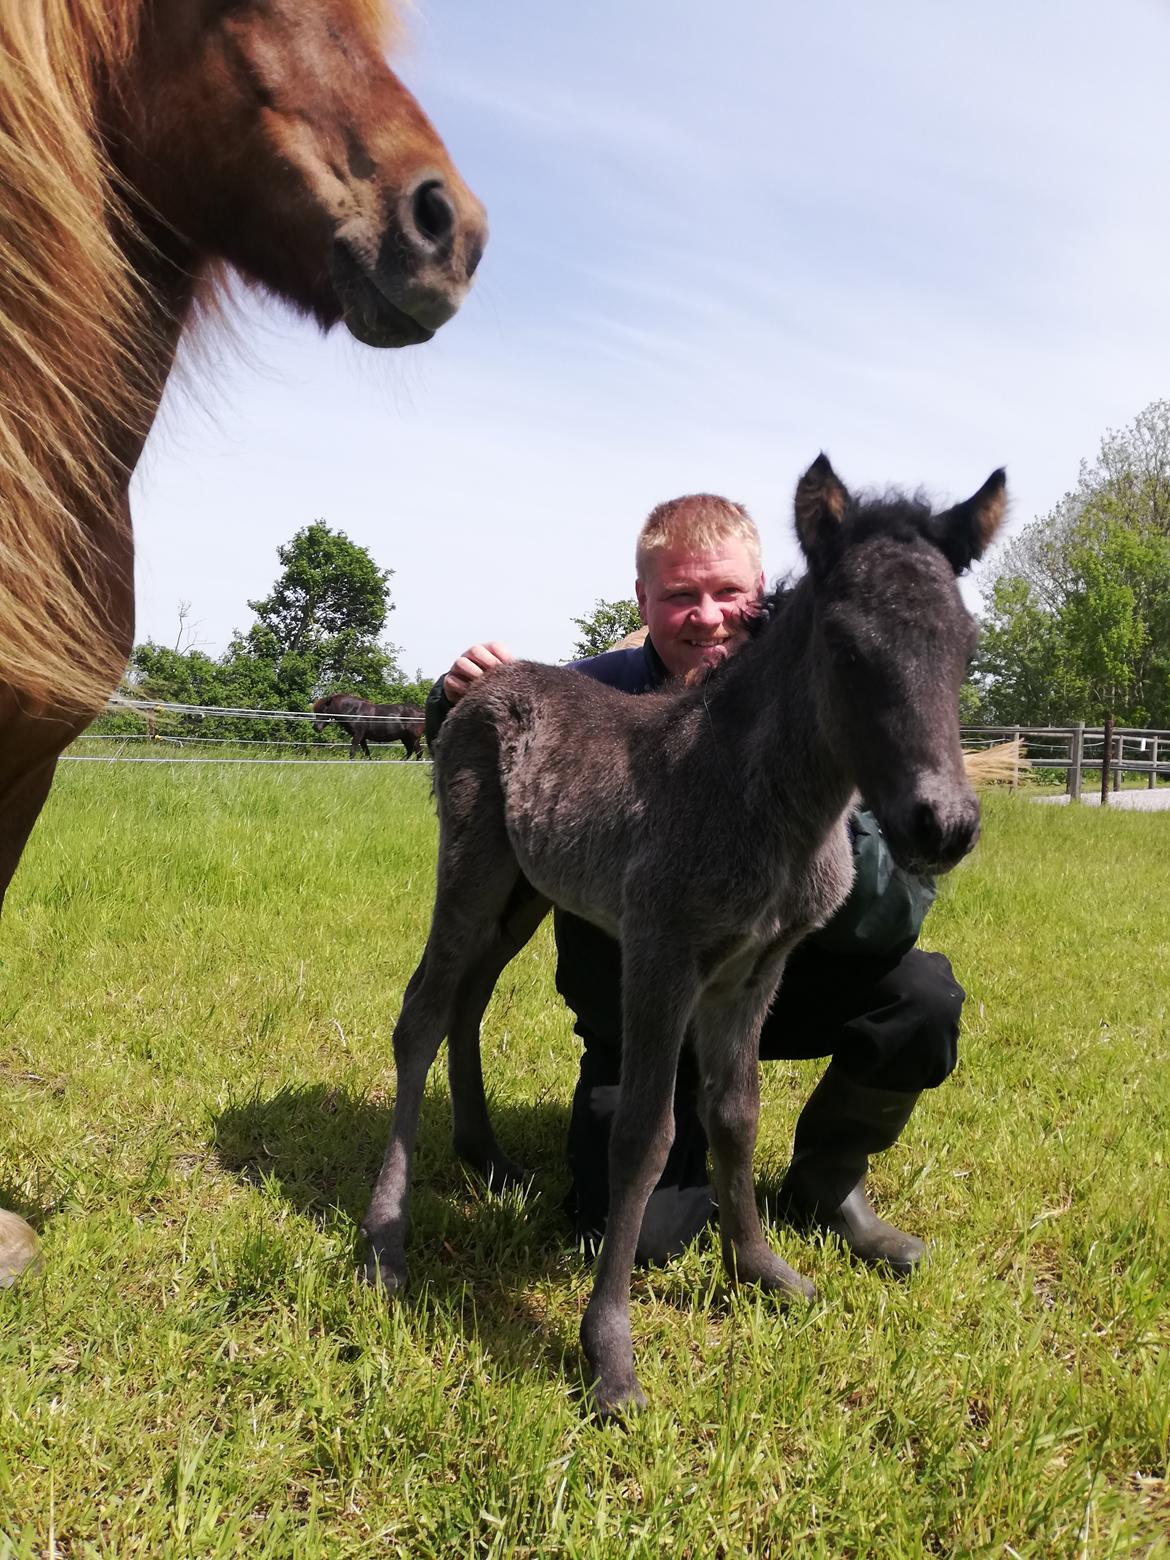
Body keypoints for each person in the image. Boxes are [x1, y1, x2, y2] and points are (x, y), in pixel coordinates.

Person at [424, 494, 964, 1275]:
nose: (707, 618)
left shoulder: (833, 695)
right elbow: (492, 760)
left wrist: (802, 830)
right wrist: (447, 702)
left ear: (766, 592)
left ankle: (827, 1183)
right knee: (641, 1237)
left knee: (921, 999)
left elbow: (896, 910)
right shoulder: (590, 691)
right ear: (643, 600)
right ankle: (680, 1144)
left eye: (728, 594)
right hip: (640, 1000)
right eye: (680, 595)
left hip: (777, 980)